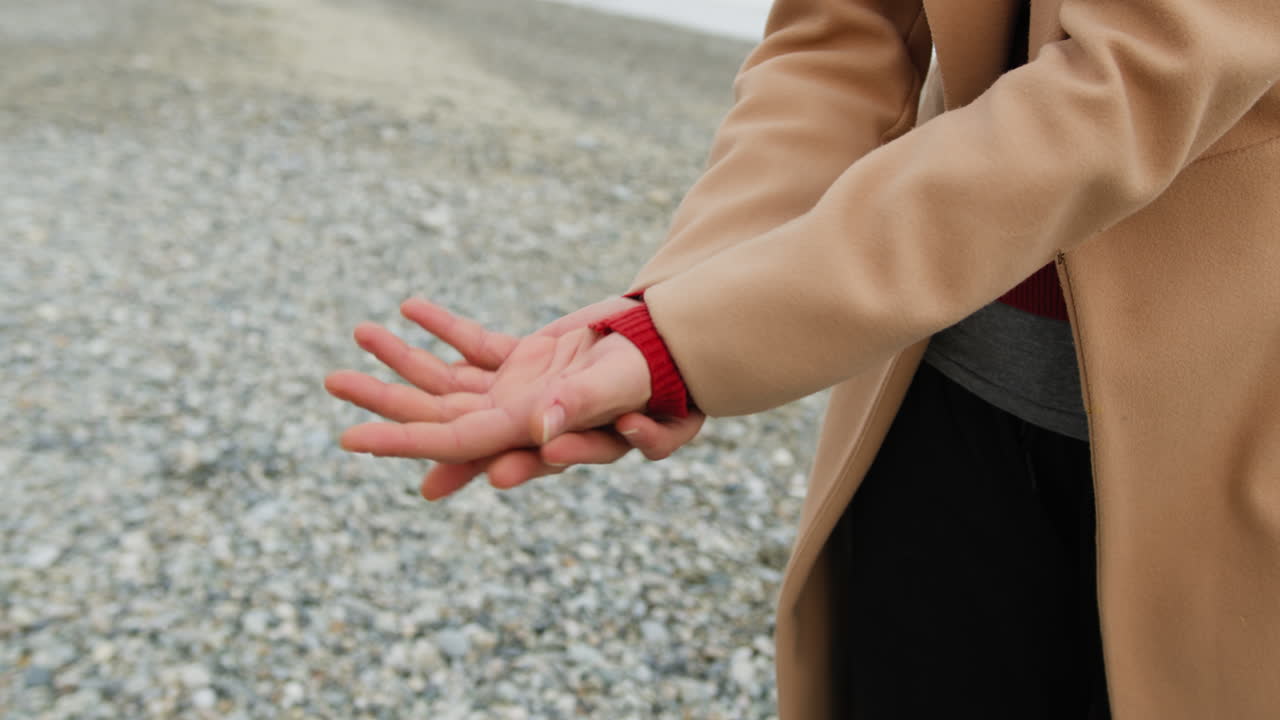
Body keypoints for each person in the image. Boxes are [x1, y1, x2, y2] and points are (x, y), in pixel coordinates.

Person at [325, 0, 1280, 717]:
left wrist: (694, 344)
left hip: (1228, 416)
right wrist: (669, 316)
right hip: (933, 382)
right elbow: (839, 41)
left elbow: (1139, 80)